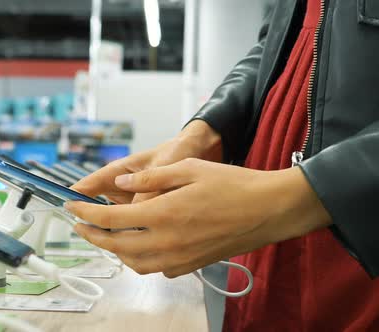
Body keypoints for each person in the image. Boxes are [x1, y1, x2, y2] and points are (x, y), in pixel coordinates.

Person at [64, 0, 379, 330]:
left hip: (355, 230)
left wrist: (305, 193)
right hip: (274, 210)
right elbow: (284, 36)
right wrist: (205, 133)